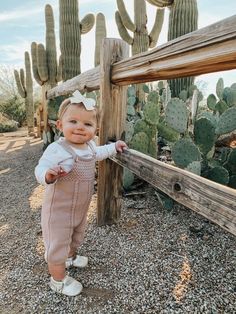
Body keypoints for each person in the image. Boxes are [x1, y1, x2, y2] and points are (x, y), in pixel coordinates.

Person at [35, 90, 127, 296]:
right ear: (60, 125)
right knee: (58, 243)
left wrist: (114, 147)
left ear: (96, 129)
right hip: (58, 211)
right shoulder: (57, 149)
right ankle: (58, 280)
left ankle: (70, 257)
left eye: (87, 124)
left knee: (76, 235)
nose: (79, 127)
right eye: (73, 121)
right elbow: (40, 169)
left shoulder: (90, 147)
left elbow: (101, 152)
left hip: (80, 209)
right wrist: (48, 175)